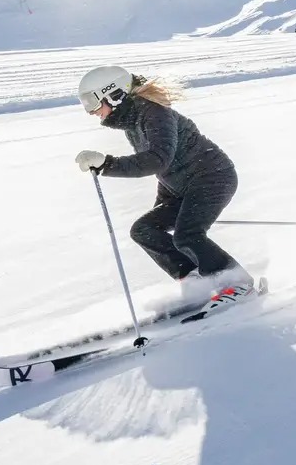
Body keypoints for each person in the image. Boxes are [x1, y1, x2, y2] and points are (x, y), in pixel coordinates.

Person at [74, 65, 254, 312]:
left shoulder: (155, 113)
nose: (91, 111)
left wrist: (108, 164)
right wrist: (162, 206)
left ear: (114, 94)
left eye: (92, 102)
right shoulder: (134, 121)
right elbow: (166, 170)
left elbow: (157, 160)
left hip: (212, 178)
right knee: (145, 230)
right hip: (185, 187)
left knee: (188, 236)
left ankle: (238, 284)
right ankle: (196, 281)